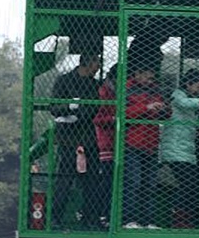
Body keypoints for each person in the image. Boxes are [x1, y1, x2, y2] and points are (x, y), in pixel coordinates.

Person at [50, 53, 101, 227]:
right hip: (69, 139)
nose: (99, 67)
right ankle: (55, 217)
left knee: (92, 179)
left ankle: (90, 218)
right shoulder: (64, 81)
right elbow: (54, 107)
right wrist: (69, 108)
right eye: (97, 62)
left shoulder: (95, 85)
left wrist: (79, 114)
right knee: (65, 177)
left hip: (89, 138)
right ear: (88, 62)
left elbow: (96, 109)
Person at [122, 60, 169, 228]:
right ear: (137, 74)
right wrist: (146, 108)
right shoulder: (127, 89)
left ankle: (147, 221)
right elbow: (123, 112)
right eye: (147, 78)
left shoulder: (155, 90)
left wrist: (162, 109)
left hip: (151, 143)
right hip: (132, 143)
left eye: (152, 78)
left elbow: (167, 114)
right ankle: (128, 219)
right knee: (133, 182)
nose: (151, 81)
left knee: (149, 184)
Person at [159, 69, 199, 228]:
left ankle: (186, 218)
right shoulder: (177, 95)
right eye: (198, 87)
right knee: (187, 183)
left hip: (186, 151)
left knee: (192, 184)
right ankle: (177, 216)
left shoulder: (191, 104)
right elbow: (185, 104)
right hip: (175, 149)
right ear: (188, 84)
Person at [91, 63, 119, 229]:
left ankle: (111, 215)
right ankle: (102, 214)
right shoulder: (104, 92)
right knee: (107, 180)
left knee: (116, 180)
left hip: (121, 142)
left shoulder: (118, 92)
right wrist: (114, 119)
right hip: (107, 141)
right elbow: (98, 118)